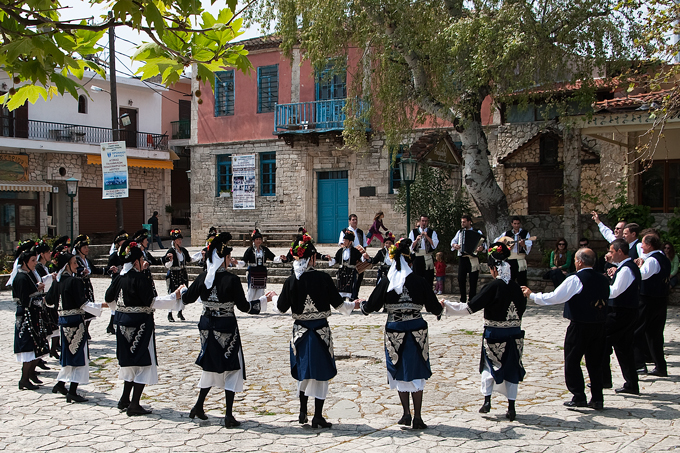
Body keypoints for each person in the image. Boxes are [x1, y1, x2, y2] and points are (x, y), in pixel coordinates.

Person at [181, 233, 273, 427]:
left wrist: (181, 290)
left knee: (211, 365)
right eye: (229, 257)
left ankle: (198, 406)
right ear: (223, 259)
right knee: (232, 368)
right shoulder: (231, 280)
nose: (231, 260)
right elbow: (244, 307)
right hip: (226, 329)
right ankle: (228, 415)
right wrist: (264, 301)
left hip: (206, 327)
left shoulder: (203, 277)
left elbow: (187, 298)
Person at [275, 232, 356, 429]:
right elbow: (341, 307)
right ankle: (317, 415)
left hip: (300, 333)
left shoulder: (291, 281)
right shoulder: (323, 278)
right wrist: (354, 304)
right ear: (311, 258)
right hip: (320, 332)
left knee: (304, 371)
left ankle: (303, 408)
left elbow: (279, 308)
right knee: (321, 373)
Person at [360, 238, 443, 429]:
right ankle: (418, 417)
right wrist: (439, 311)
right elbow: (433, 306)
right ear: (410, 262)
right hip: (416, 330)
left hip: (395, 330)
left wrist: (363, 307)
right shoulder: (420, 281)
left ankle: (406, 413)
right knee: (416, 369)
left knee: (398, 368)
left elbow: (372, 304)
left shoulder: (388, 281)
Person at [441, 242, 526, 421]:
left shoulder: (493, 287)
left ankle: (487, 401)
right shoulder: (518, 288)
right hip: (515, 335)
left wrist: (447, 306)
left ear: (494, 268)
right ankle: (511, 407)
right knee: (511, 368)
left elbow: (470, 307)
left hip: (495, 334)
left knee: (489, 366)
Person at [521, 248, 609, 410]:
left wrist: (532, 295)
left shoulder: (575, 279)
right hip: (600, 324)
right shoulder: (603, 279)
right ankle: (597, 398)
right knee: (595, 362)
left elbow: (555, 297)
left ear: (580, 262)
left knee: (572, 360)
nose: (575, 262)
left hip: (580, 324)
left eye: (576, 260)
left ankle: (578, 396)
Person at [105, 240, 185, 416]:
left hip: (122, 324)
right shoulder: (140, 278)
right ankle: (134, 404)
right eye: (142, 259)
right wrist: (175, 296)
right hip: (140, 324)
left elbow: (109, 299)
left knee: (128, 363)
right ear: (136, 262)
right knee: (143, 363)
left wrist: (120, 310)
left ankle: (124, 399)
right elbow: (152, 301)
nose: (144, 262)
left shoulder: (119, 277)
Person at [47, 247, 103, 403]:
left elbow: (49, 301)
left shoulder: (57, 281)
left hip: (63, 322)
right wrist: (100, 307)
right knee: (78, 355)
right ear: (66, 265)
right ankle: (72, 391)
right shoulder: (74, 281)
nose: (76, 266)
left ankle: (60, 383)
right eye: (73, 263)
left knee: (69, 354)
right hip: (76, 322)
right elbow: (82, 303)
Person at [601, 239, 640, 395]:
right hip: (627, 312)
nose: (609, 254)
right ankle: (631, 383)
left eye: (611, 251)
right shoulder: (625, 268)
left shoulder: (626, 270)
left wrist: (599, 289)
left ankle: (603, 379)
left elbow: (615, 291)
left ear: (620, 251)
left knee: (602, 341)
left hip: (620, 313)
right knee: (624, 348)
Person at [11, 241, 49, 390]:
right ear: (25, 262)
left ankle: (29, 376)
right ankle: (24, 379)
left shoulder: (27, 275)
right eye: (32, 260)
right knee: (28, 348)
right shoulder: (21, 278)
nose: (35, 263)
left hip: (32, 315)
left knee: (35, 348)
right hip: (26, 317)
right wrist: (38, 293)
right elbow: (25, 300)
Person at [633, 233, 671, 377]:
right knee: (655, 334)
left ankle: (639, 364)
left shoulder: (652, 261)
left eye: (643, 244)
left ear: (649, 245)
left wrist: (638, 267)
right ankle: (660, 366)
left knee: (637, 331)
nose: (641, 247)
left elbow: (641, 276)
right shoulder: (663, 258)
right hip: (661, 299)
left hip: (648, 300)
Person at [450, 215, 485, 302]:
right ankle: (463, 298)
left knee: (473, 279)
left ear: (469, 222)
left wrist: (481, 248)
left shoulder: (477, 232)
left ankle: (472, 298)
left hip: (473, 258)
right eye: (462, 222)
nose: (462, 224)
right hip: (463, 258)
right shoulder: (460, 232)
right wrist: (455, 245)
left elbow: (483, 243)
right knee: (461, 278)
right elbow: (453, 241)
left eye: (464, 222)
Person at [34, 239, 59, 360]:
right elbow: (38, 282)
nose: (50, 254)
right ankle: (40, 357)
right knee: (46, 328)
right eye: (48, 252)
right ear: (42, 254)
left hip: (49, 297)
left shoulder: (45, 266)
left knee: (53, 325)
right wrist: (50, 277)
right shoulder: (38, 267)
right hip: (43, 299)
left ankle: (52, 349)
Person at [242, 228, 281, 301]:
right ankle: (249, 305)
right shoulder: (250, 250)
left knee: (261, 290)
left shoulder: (265, 250)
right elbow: (244, 261)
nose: (259, 241)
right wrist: (237, 262)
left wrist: (280, 258)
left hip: (262, 272)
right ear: (253, 240)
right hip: (253, 271)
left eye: (260, 239)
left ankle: (259, 306)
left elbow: (273, 258)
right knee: (251, 290)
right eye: (257, 239)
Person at [164, 229, 193, 322]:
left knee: (182, 292)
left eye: (181, 239)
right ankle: (170, 313)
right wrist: (170, 261)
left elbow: (189, 259)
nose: (180, 241)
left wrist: (201, 255)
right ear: (174, 241)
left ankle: (180, 311)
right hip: (173, 274)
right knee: (172, 293)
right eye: (178, 239)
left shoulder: (183, 250)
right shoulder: (171, 251)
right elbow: (166, 264)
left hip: (182, 274)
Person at [332, 230, 370, 301]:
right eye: (344, 240)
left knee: (351, 289)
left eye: (346, 240)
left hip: (351, 273)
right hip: (342, 272)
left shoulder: (354, 251)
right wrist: (330, 260)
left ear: (350, 242)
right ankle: (342, 305)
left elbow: (360, 258)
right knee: (341, 289)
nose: (344, 242)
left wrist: (364, 256)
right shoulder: (340, 251)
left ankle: (351, 305)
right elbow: (336, 259)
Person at [338, 214, 368, 297]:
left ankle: (355, 295)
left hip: (359, 258)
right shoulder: (344, 231)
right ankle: (348, 296)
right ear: (349, 221)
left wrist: (362, 255)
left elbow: (364, 245)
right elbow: (341, 244)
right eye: (353, 219)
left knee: (359, 278)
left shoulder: (360, 232)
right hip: (350, 258)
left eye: (356, 220)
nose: (355, 221)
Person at [496, 217, 532, 286]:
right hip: (510, 260)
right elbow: (497, 241)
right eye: (515, 224)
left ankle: (522, 296)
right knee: (509, 281)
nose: (516, 225)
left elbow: (529, 245)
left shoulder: (525, 233)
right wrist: (503, 243)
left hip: (520, 261)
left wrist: (524, 245)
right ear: (512, 224)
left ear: (520, 224)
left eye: (518, 224)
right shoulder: (506, 233)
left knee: (522, 281)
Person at [105, 231, 129, 335]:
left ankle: (114, 324)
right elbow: (108, 269)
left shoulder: (127, 254)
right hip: (116, 280)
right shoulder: (114, 255)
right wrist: (112, 270)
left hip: (124, 280)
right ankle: (111, 324)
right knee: (116, 302)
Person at [409, 214, 439, 287]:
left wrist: (427, 236)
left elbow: (435, 245)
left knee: (429, 278)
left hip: (428, 257)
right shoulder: (413, 232)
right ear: (420, 221)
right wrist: (416, 240)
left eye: (425, 221)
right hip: (418, 257)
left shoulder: (432, 232)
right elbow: (410, 247)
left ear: (427, 222)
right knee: (417, 278)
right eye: (422, 221)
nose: (424, 223)